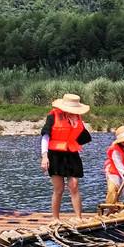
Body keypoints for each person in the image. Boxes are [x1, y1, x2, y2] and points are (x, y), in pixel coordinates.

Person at [40, 93, 92, 221]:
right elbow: (45, 137)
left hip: (71, 153)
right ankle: (55, 218)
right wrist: (44, 157)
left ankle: (79, 217)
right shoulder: (53, 116)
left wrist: (75, 127)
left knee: (74, 185)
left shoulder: (78, 118)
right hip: (55, 154)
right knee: (59, 188)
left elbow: (83, 137)